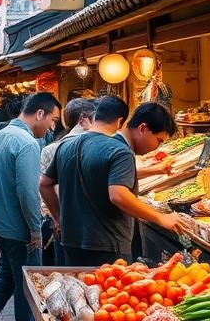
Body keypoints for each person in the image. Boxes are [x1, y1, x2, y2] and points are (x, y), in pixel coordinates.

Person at [40, 96, 185, 265]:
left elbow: (44, 184)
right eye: (159, 140)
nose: (157, 147)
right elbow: (118, 194)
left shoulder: (66, 145)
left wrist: (59, 219)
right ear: (143, 128)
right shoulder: (120, 151)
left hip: (71, 243)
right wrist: (160, 217)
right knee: (106, 291)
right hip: (106, 246)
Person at [0, 92, 61, 321]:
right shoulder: (27, 143)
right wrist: (35, 230)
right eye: (52, 119)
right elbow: (27, 192)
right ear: (39, 113)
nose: (53, 126)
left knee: (5, 282)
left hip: (0, 224)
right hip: (19, 229)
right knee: (28, 292)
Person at [38, 98, 95, 265]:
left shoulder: (52, 148)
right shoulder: (99, 144)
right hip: (87, 225)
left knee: (63, 269)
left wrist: (56, 217)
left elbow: (44, 188)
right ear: (84, 119)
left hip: (59, 220)